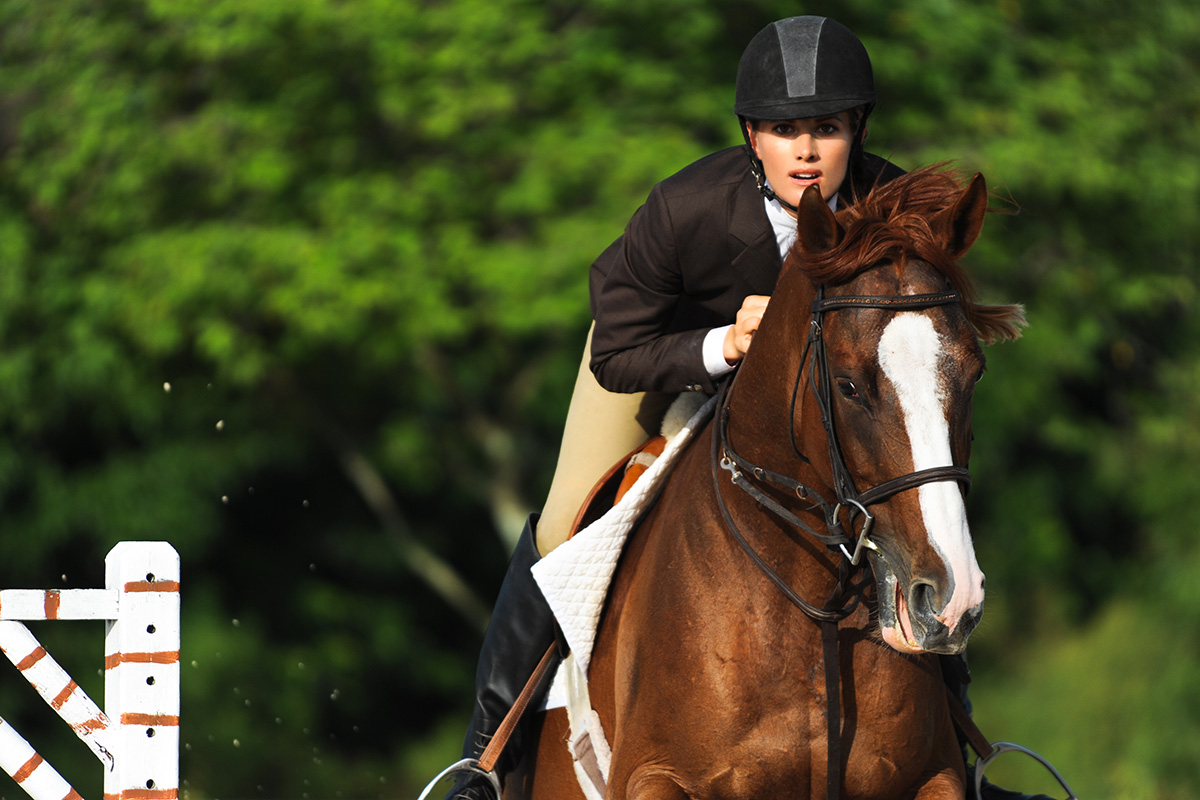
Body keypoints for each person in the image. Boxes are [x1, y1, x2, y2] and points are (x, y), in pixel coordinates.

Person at [442, 16, 1047, 800]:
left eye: (824, 129)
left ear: (855, 132)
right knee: (565, 523)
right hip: (662, 363)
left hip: (824, 397)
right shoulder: (687, 208)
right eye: (783, 130)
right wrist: (723, 344)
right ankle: (486, 759)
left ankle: (959, 746)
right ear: (751, 137)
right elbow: (618, 351)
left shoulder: (887, 204)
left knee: (917, 525)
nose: (805, 150)